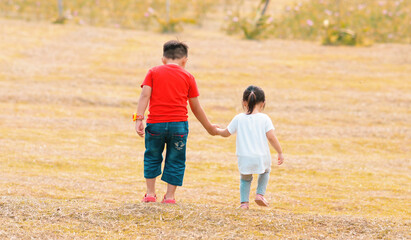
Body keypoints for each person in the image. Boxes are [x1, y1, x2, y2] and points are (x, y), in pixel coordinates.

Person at [135, 40, 217, 204]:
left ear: (163, 59)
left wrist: (139, 118)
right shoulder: (188, 76)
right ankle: (170, 197)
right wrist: (209, 127)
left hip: (155, 125)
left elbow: (145, 96)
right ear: (185, 60)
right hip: (178, 126)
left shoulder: (153, 72)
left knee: (152, 156)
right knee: (176, 159)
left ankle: (150, 194)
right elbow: (195, 107)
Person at [216, 85, 284, 209]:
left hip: (244, 156)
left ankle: (244, 203)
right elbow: (271, 137)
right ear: (263, 103)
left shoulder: (238, 118)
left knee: (245, 179)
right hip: (261, 156)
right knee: (265, 171)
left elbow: (226, 133)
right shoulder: (265, 119)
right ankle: (259, 194)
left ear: (244, 103)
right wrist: (279, 152)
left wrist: (217, 131)